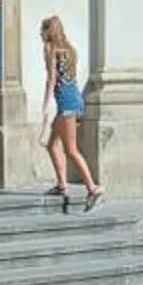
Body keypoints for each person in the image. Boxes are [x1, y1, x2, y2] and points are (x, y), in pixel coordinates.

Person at [39, 15, 101, 209]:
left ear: (49, 31)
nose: (40, 34)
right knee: (52, 144)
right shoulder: (70, 49)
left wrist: (45, 104)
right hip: (75, 99)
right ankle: (62, 184)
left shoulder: (51, 48)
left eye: (42, 30)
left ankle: (92, 187)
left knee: (71, 149)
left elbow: (52, 78)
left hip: (65, 102)